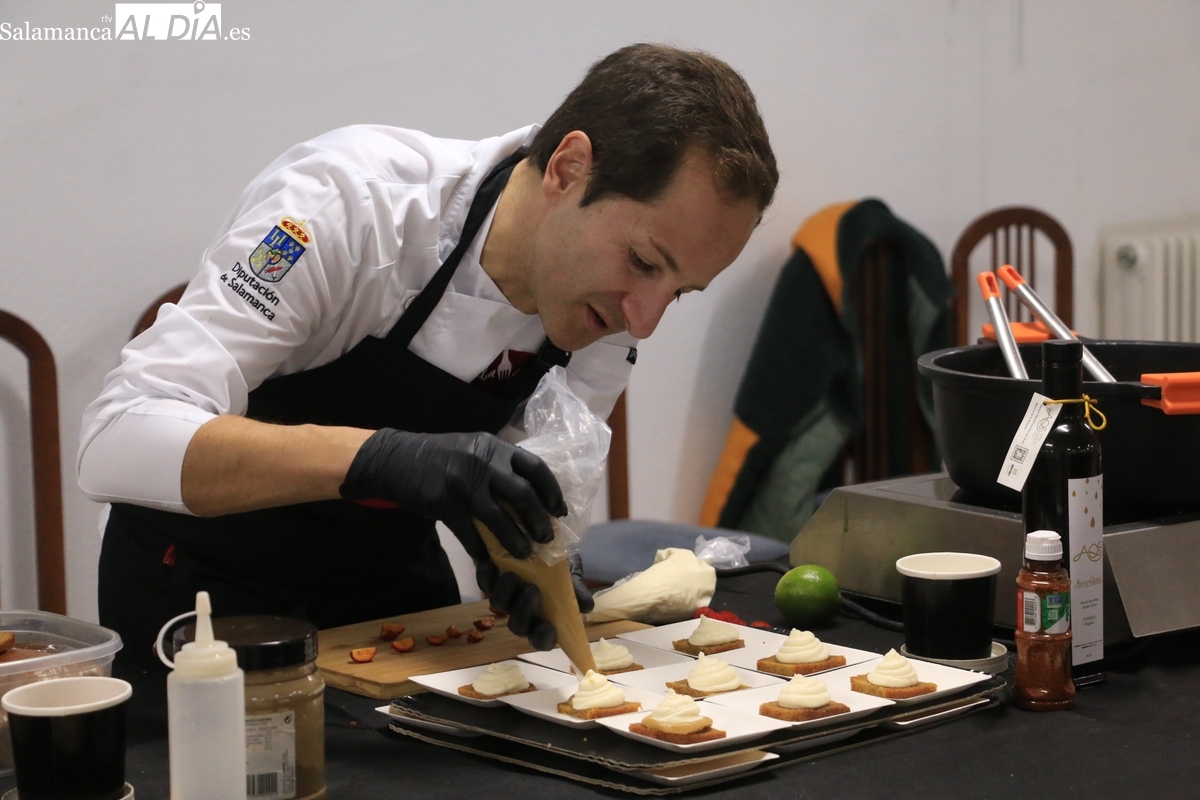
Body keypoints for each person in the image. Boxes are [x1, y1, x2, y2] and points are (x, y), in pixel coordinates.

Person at [78, 43, 778, 665]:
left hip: (385, 601)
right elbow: (116, 438)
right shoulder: (349, 205)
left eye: (679, 291)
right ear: (569, 168)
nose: (644, 321)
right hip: (200, 598)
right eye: (644, 261)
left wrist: (531, 558)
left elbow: (551, 485)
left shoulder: (608, 307)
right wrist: (380, 458)